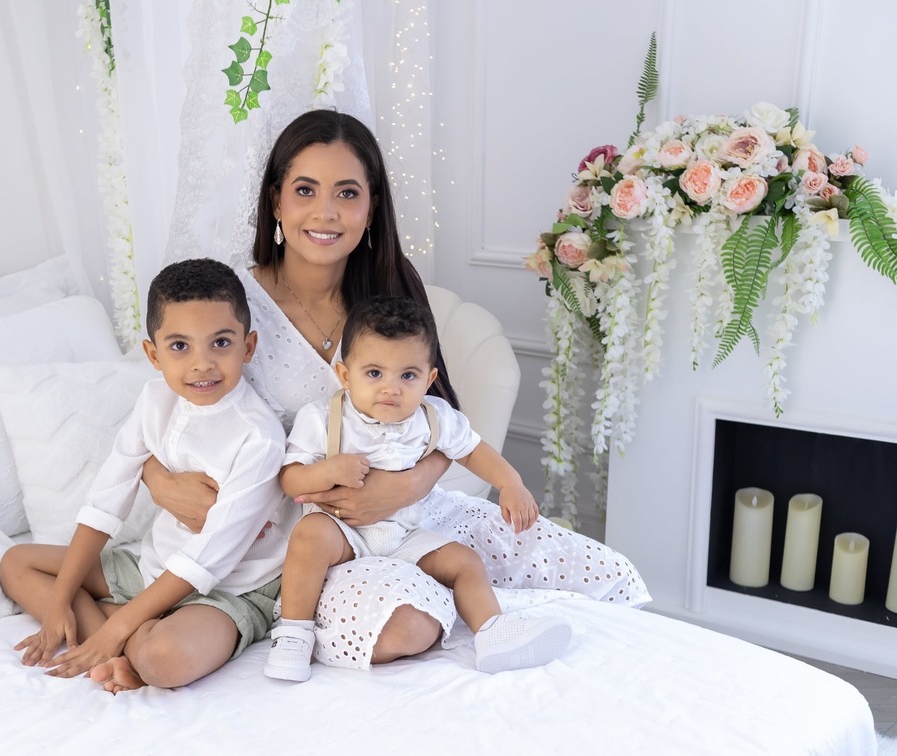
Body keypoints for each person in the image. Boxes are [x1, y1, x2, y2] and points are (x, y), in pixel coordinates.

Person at [140, 109, 650, 672]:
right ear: (276, 200)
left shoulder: (389, 287)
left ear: (371, 206)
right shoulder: (231, 297)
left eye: (347, 193)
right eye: (305, 189)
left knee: (584, 567)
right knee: (405, 626)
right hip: (301, 536)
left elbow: (442, 420)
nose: (325, 212)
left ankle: (495, 621)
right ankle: (312, 619)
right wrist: (156, 478)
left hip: (410, 511)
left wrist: (401, 488)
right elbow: (162, 406)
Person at [0, 258, 292, 693]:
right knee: (16, 562)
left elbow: (207, 559)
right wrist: (59, 602)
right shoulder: (154, 400)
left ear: (247, 347)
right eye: (180, 347)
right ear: (152, 354)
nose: (202, 364)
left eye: (221, 343)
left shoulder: (259, 437)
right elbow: (105, 501)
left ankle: (120, 638)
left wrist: (111, 632)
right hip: (154, 564)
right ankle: (118, 639)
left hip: (232, 586)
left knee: (163, 660)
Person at [265, 296, 572, 682]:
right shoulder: (325, 417)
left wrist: (511, 483)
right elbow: (290, 479)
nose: (391, 389)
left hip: (404, 534)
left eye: (407, 376)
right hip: (344, 533)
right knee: (309, 534)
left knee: (465, 562)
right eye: (374, 373)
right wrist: (328, 471)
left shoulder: (433, 416)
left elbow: (474, 450)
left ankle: (492, 632)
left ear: (429, 379)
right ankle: (293, 633)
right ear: (346, 375)